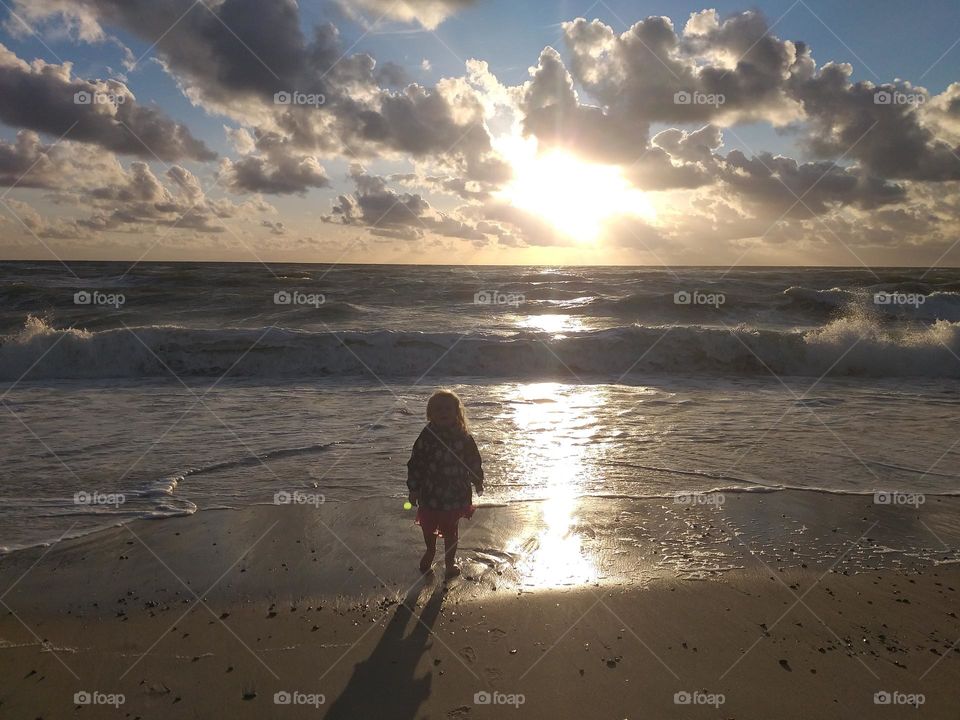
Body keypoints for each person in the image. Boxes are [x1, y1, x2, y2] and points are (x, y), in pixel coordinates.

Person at [406, 389, 484, 578]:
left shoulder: (463, 436)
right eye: (438, 409)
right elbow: (416, 462)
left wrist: (477, 480)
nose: (443, 412)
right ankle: (430, 551)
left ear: (456, 413)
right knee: (428, 525)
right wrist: (413, 488)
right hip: (430, 492)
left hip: (456, 493)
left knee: (451, 530)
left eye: (447, 409)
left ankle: (450, 563)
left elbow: (473, 460)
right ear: (430, 413)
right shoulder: (426, 435)